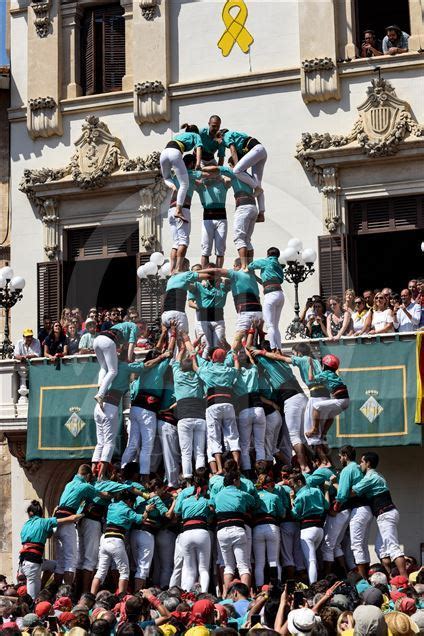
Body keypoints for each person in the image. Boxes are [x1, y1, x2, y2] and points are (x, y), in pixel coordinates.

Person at [121, 337, 175, 482]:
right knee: (147, 446)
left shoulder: (142, 371)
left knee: (132, 444)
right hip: (147, 411)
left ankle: (122, 472)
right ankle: (144, 478)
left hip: (135, 409)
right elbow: (169, 353)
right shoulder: (158, 368)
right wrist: (173, 337)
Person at [91, 348, 147, 480]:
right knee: (109, 443)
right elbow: (146, 365)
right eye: (132, 358)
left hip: (98, 407)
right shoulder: (126, 366)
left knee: (100, 442)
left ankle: (93, 472)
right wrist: (161, 357)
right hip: (110, 406)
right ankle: (100, 475)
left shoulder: (110, 366)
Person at [352, 451, 407, 578]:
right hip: (386, 514)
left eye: (361, 462)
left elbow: (353, 491)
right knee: (381, 549)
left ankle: (405, 581)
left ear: (368, 463)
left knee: (393, 548)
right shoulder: (378, 475)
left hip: (385, 514)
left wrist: (339, 487)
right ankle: (391, 579)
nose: (360, 464)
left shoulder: (370, 477)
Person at [54, 465, 109, 586]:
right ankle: (67, 594)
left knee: (60, 562)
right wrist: (112, 494)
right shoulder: (85, 486)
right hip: (68, 522)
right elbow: (102, 494)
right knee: (71, 560)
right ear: (88, 476)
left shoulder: (68, 484)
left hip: (57, 522)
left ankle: (56, 590)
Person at [190, 341, 240, 474]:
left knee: (214, 437)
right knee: (233, 436)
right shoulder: (228, 370)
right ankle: (237, 467)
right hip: (228, 404)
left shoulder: (208, 370)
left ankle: (219, 468)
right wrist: (235, 357)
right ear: (224, 359)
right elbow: (237, 369)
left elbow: (195, 367)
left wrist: (195, 356)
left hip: (213, 405)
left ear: (212, 358)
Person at [19, 500, 81, 600]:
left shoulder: (26, 525)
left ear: (30, 513)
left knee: (55, 565)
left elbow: (49, 533)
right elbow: (71, 518)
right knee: (32, 599)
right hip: (33, 565)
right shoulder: (44, 522)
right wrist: (82, 514)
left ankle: (43, 587)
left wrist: (52, 515)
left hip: (25, 563)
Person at [331, 445, 373, 580]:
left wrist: (336, 506)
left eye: (340, 456)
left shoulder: (347, 470)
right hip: (367, 509)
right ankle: (366, 576)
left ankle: (363, 580)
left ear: (345, 455)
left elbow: (342, 494)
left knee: (356, 545)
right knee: (362, 545)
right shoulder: (358, 468)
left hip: (359, 509)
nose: (339, 459)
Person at [91, 491, 144, 595]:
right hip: (116, 540)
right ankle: (121, 599)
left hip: (105, 539)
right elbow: (140, 519)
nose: (132, 506)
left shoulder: (111, 505)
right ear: (129, 501)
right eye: (132, 503)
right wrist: (146, 511)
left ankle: (91, 596)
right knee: (124, 572)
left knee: (101, 572)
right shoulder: (127, 510)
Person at [211, 470, 256, 593]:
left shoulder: (218, 495)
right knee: (243, 566)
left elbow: (211, 505)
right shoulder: (241, 494)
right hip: (238, 529)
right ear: (235, 480)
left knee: (228, 566)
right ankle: (245, 595)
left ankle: (228, 595)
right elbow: (253, 502)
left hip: (222, 531)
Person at [172, 339, 207, 480]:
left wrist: (181, 349)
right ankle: (201, 479)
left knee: (186, 452)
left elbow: (176, 360)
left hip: (184, 418)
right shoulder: (199, 377)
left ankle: (188, 480)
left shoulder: (178, 375)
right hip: (199, 417)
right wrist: (196, 351)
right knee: (199, 452)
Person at [206, 258, 263, 341]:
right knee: (252, 339)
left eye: (234, 266)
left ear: (239, 266)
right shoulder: (250, 275)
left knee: (239, 338)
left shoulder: (236, 274)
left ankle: (235, 352)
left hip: (245, 310)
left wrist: (196, 273)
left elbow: (216, 270)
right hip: (258, 310)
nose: (233, 268)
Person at [175, 471, 212, 593]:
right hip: (201, 532)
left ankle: (187, 595)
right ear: (204, 488)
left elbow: (177, 511)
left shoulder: (185, 500)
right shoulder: (206, 501)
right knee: (203, 569)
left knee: (190, 570)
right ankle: (204, 594)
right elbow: (212, 513)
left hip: (186, 534)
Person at [217, 129, 267, 215]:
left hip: (256, 150)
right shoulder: (237, 136)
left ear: (220, 136)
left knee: (236, 171)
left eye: (216, 141)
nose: (218, 144)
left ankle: (257, 189)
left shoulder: (227, 135)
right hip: (261, 151)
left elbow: (233, 150)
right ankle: (261, 213)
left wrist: (237, 166)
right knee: (257, 182)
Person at [160, 124, 203, 222]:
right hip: (175, 153)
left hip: (164, 153)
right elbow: (199, 148)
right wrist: (198, 164)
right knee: (185, 184)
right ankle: (178, 210)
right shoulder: (195, 135)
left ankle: (173, 187)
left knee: (166, 178)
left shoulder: (179, 136)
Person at [166, 154, 201, 273]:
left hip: (170, 210)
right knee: (184, 241)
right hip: (182, 209)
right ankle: (178, 268)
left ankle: (172, 268)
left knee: (175, 242)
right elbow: (206, 176)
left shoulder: (176, 173)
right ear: (191, 164)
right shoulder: (190, 173)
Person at [291, 473, 328, 584]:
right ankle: (314, 582)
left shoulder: (299, 497)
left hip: (307, 530)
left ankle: (313, 586)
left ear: (299, 482)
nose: (293, 488)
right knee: (311, 559)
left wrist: (291, 499)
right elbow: (326, 506)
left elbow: (295, 515)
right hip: (319, 530)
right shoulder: (317, 491)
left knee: (311, 560)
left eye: (294, 485)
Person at [93, 320, 139, 409]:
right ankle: (100, 394)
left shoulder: (120, 326)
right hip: (108, 341)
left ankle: (100, 388)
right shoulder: (134, 327)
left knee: (103, 367)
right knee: (113, 371)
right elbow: (131, 344)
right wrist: (129, 360)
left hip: (97, 340)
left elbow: (122, 346)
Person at [248, 248, 285, 351]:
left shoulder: (267, 261)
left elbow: (251, 265)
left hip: (270, 295)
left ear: (268, 254)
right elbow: (275, 281)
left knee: (270, 325)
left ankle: (273, 348)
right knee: (275, 326)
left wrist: (246, 267)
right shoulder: (278, 265)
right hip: (280, 294)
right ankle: (279, 349)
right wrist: (255, 277)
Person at [307, 354, 349, 442]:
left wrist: (310, 366)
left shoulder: (325, 374)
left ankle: (315, 429)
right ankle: (323, 434)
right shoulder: (333, 375)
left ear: (324, 366)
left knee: (315, 406)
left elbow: (310, 378)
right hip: (346, 401)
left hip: (340, 400)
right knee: (331, 415)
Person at [195, 167, 232, 269]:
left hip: (221, 218)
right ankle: (204, 275)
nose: (209, 175)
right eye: (208, 173)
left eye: (211, 173)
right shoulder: (202, 187)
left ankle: (218, 275)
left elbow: (229, 179)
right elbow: (192, 179)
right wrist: (203, 176)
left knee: (220, 249)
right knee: (205, 249)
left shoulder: (222, 183)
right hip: (207, 218)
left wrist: (218, 175)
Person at [161, 259, 210, 333]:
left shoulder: (171, 279)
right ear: (184, 266)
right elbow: (208, 275)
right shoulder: (186, 274)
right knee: (185, 340)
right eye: (188, 266)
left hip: (166, 315)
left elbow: (190, 287)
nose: (189, 269)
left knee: (172, 340)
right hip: (177, 313)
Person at [253, 475, 284, 587]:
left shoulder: (255, 496)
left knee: (259, 563)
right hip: (272, 526)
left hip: (257, 528)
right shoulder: (274, 496)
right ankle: (277, 586)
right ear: (269, 485)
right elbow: (282, 513)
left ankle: (259, 589)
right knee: (274, 561)